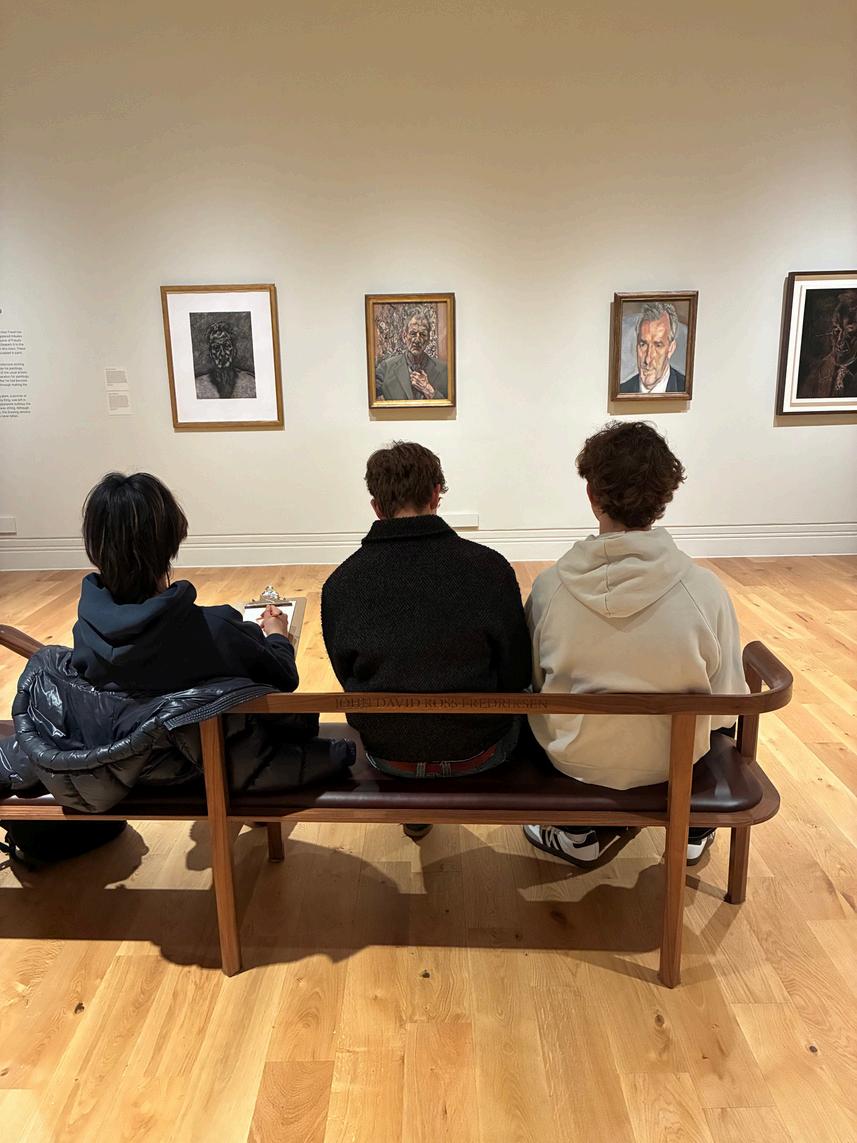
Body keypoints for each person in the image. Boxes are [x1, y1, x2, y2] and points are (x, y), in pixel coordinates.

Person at [0, 472, 352, 811]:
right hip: (198, 770)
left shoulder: (86, 632)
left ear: (95, 547)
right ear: (171, 540)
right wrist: (276, 634)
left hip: (120, 773)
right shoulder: (214, 630)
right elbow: (282, 678)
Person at [523, 422, 746, 867]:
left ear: (591, 494)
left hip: (574, 761)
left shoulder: (549, 589)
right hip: (674, 762)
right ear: (664, 499)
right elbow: (726, 707)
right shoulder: (704, 591)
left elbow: (534, 685)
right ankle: (693, 828)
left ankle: (576, 832)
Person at [321, 441, 531, 836]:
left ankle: (416, 809)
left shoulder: (341, 583)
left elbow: (346, 675)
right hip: (481, 751)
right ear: (436, 495)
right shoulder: (489, 569)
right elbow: (516, 671)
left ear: (376, 507)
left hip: (389, 756)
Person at [375, 312, 449, 401]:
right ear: (404, 336)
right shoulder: (385, 368)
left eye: (422, 334)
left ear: (428, 339)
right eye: (413, 334)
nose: (417, 340)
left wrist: (429, 390)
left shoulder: (444, 370)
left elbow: (451, 404)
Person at [620, 302, 686, 394]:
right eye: (643, 344)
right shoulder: (621, 390)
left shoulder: (684, 388)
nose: (648, 359)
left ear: (671, 348)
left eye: (658, 345)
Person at [195, 321, 257, 399]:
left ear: (234, 351)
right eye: (216, 348)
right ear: (211, 354)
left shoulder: (251, 382)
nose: (222, 353)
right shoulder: (198, 386)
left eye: (226, 346)